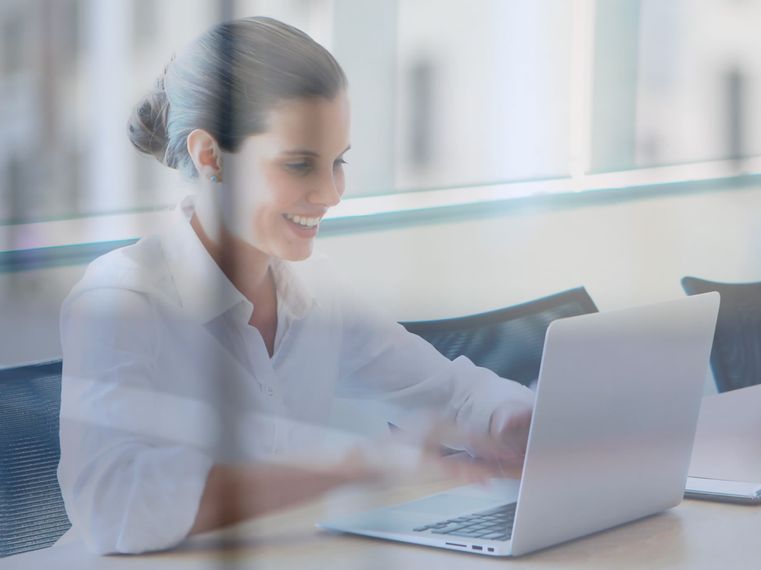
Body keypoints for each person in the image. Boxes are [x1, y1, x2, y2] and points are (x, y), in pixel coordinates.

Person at [57, 16, 533, 555]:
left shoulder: (314, 290)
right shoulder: (121, 300)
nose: (331, 194)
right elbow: (113, 504)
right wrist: (356, 465)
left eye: (338, 162)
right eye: (300, 163)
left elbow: (450, 393)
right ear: (210, 156)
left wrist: (515, 419)